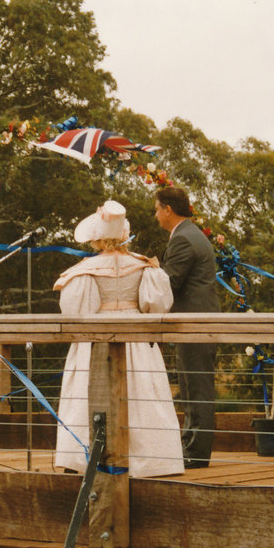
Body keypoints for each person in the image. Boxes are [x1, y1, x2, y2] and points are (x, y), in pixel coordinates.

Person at [53, 200, 184, 477]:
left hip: (95, 341)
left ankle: (81, 457)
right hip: (136, 339)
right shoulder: (144, 267)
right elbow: (157, 305)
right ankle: (149, 460)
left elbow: (76, 312)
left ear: (97, 238)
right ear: (125, 234)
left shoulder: (84, 270)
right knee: (142, 395)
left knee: (87, 395)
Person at [154, 186, 221, 469]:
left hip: (195, 323)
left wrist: (149, 271)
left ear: (168, 209)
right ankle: (192, 447)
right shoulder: (191, 234)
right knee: (194, 386)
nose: (155, 214)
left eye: (157, 209)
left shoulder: (183, 239)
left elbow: (168, 283)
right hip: (198, 321)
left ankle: (195, 452)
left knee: (196, 387)